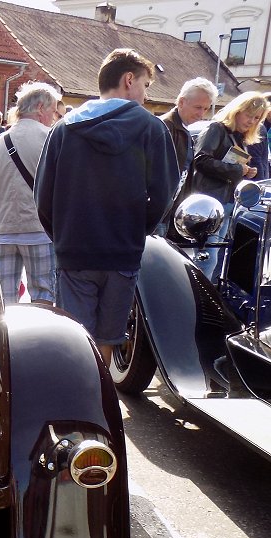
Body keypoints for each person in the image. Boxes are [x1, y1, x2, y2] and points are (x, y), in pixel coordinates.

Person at [35, 48, 178, 366]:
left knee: (75, 337)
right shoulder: (152, 128)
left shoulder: (64, 128)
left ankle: (79, 394)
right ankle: (101, 394)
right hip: (122, 251)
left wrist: (63, 236)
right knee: (107, 339)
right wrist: (137, 231)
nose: (145, 95)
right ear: (129, 80)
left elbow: (43, 196)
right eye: (145, 85)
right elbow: (164, 194)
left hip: (75, 250)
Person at [0, 81, 62, 304]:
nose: (54, 118)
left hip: (3, 233)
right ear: (40, 108)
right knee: (43, 296)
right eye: (53, 111)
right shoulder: (51, 139)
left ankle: (7, 330)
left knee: (2, 302)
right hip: (40, 233)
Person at [192, 91, 269, 280]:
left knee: (215, 258)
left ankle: (207, 293)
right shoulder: (216, 128)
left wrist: (246, 172)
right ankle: (199, 295)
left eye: (257, 118)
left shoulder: (239, 136)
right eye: (249, 115)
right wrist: (237, 170)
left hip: (226, 203)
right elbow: (201, 160)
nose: (252, 121)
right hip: (209, 204)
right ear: (237, 111)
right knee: (207, 259)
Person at [157, 78, 218, 237]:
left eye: (206, 109)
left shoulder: (184, 130)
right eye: (198, 107)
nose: (201, 114)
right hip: (156, 214)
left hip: (167, 213)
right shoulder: (163, 127)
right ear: (181, 102)